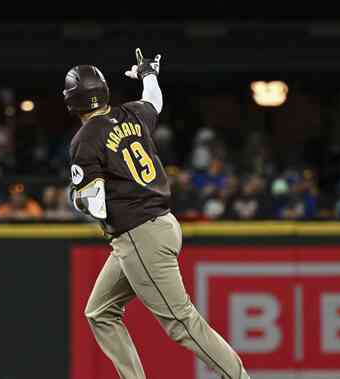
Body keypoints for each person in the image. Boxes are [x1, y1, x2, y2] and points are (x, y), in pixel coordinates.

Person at [66, 49, 249, 379]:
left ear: (72, 102)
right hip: (160, 224)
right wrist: (148, 73)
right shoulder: (130, 114)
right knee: (100, 311)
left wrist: (75, 197)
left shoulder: (85, 140)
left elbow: (94, 205)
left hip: (139, 234)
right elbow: (154, 100)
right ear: (104, 91)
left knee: (181, 322)